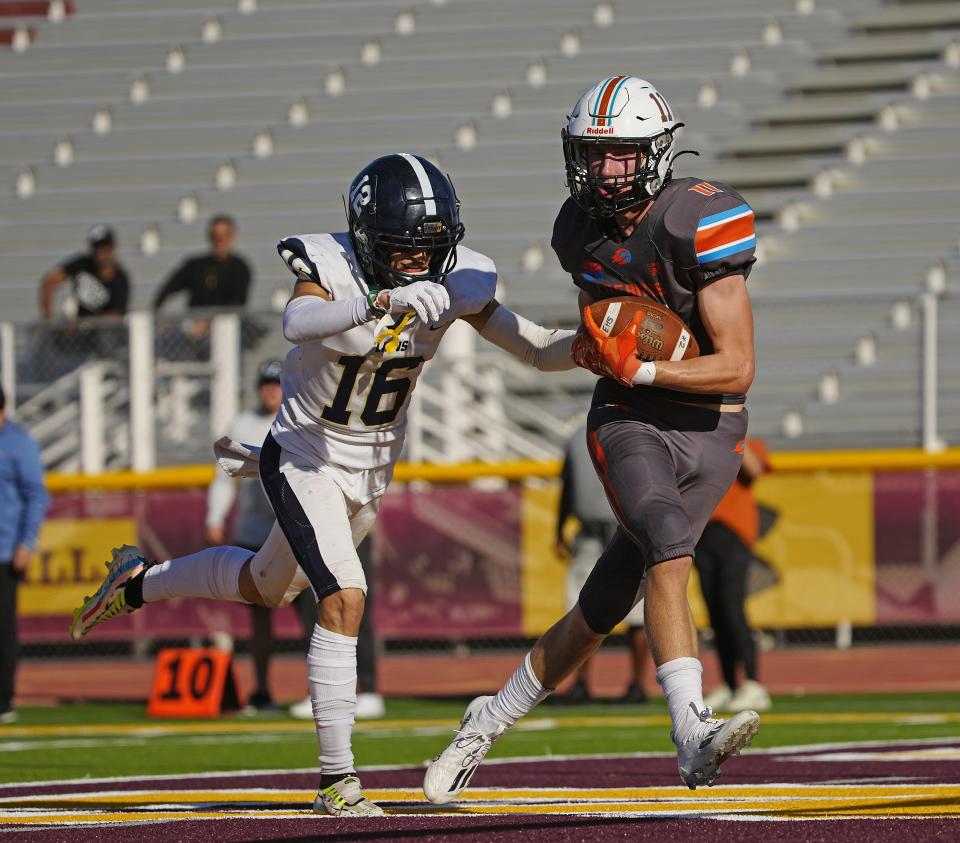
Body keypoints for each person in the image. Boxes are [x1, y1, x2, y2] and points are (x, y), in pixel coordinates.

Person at [70, 153, 578, 816]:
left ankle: (137, 581)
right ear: (369, 241)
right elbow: (297, 321)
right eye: (405, 249)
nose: (422, 263)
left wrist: (597, 345)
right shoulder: (333, 266)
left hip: (367, 469)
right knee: (343, 597)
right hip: (305, 455)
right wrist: (379, 299)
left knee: (264, 585)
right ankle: (337, 782)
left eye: (432, 248)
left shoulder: (459, 279)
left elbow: (537, 349)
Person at [424, 76, 760, 803]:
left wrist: (643, 364)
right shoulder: (578, 230)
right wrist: (481, 315)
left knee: (602, 607)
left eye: (619, 155)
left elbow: (738, 364)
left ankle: (486, 719)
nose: (603, 170)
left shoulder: (698, 220)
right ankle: (691, 732)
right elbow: (574, 347)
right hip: (629, 416)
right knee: (669, 542)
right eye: (593, 154)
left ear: (655, 154)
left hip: (711, 424)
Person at [205, 360, 317, 713]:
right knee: (259, 616)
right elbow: (224, 476)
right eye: (265, 384)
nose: (271, 390)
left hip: (295, 529)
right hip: (254, 530)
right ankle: (262, 690)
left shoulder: (301, 418)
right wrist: (214, 515)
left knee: (312, 615)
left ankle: (316, 691)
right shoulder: (242, 422)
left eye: (276, 383)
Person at [556, 423, 648, 704]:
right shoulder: (628, 427)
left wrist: (558, 528)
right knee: (583, 605)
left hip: (626, 524)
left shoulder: (632, 427)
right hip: (600, 527)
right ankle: (585, 682)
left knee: (634, 609)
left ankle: (634, 684)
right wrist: (559, 527)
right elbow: (569, 485)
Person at [698, 437, 773, 713]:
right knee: (714, 612)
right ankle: (730, 683)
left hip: (734, 533)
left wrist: (728, 430)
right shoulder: (701, 443)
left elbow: (753, 469)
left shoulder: (744, 440)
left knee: (732, 607)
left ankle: (753, 682)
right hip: (703, 531)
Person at [0, 385, 50, 724]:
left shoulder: (18, 442)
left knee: (2, 630)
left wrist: (26, 543)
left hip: (4, 550)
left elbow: (36, 496)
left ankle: (3, 700)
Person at [153, 215, 252, 311]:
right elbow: (168, 288)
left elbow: (237, 303)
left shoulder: (240, 268)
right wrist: (159, 315)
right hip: (194, 321)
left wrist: (210, 321)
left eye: (223, 236)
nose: (218, 241)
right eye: (214, 236)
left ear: (232, 236)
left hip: (226, 324)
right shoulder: (194, 266)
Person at [39, 224, 130, 320]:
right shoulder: (82, 265)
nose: (103, 253)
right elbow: (49, 282)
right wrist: (48, 319)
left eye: (106, 247)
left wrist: (86, 324)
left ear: (113, 248)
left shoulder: (121, 279)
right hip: (77, 330)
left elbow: (116, 316)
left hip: (104, 332)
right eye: (98, 248)